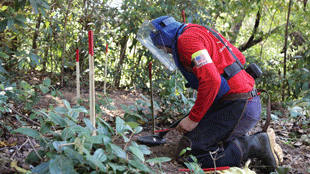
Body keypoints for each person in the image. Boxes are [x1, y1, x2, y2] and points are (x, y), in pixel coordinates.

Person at [137, 16, 283, 172]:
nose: (164, 51)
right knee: (193, 140)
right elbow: (239, 58)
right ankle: (243, 142)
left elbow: (212, 81)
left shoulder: (185, 40)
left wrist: (193, 119)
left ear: (164, 36)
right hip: (247, 101)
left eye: (161, 47)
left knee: (189, 153)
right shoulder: (197, 30)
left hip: (239, 105)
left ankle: (253, 144)